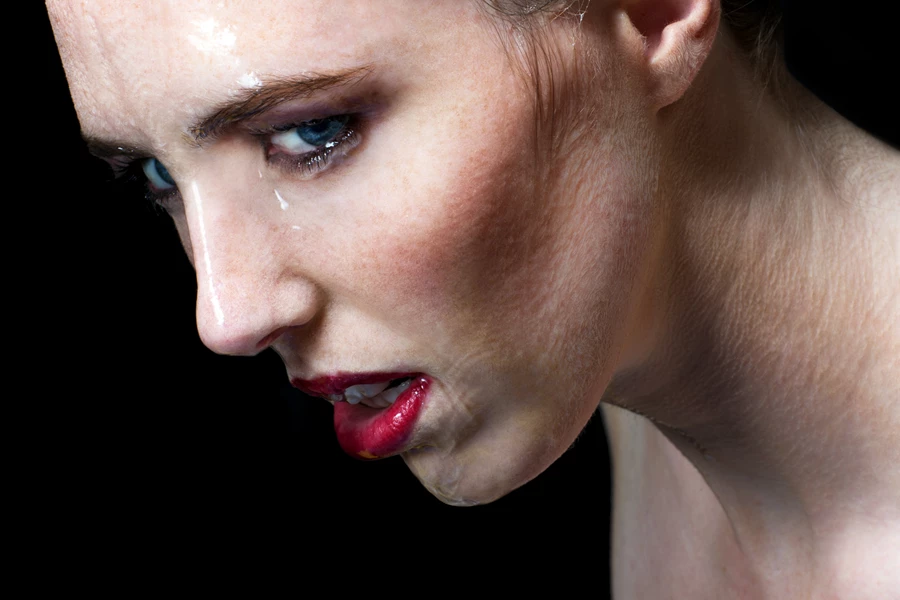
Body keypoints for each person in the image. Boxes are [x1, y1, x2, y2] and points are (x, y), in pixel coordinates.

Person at [48, 0, 898, 597]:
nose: (226, 316)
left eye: (314, 131)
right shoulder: (606, 331)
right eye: (154, 175)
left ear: (652, 13)